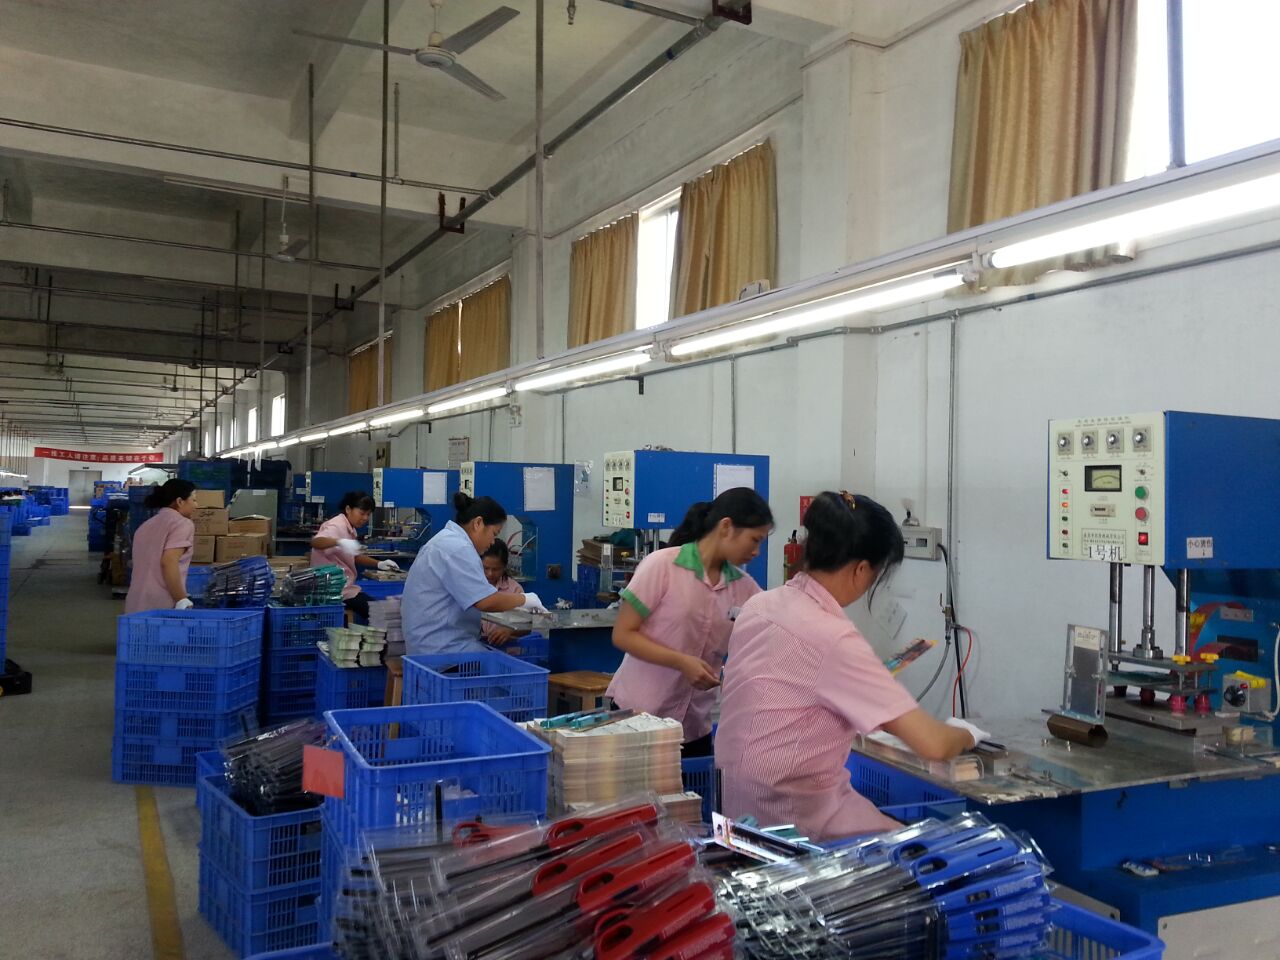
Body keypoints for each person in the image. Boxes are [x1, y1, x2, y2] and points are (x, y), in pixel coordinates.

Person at [715, 491, 988, 842]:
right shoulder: (833, 638)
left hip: (738, 812)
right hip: (795, 826)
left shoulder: (760, 605)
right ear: (861, 569)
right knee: (944, 848)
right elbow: (933, 744)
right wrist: (967, 734)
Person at [607, 488, 773, 758]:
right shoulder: (662, 566)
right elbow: (623, 634)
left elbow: (769, 635)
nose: (756, 551)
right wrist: (681, 662)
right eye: (754, 540)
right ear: (726, 527)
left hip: (693, 727)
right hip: (638, 718)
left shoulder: (745, 588)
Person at [402, 491, 544, 655]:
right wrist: (525, 599)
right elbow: (485, 602)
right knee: (508, 667)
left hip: (428, 646)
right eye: (494, 534)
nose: (492, 542)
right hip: (443, 651)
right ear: (478, 523)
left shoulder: (445, 540)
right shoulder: (459, 548)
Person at [310, 491, 399, 621]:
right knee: (378, 613)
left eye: (368, 514)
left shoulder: (350, 528)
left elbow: (354, 556)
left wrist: (379, 564)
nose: (365, 518)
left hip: (342, 587)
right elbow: (316, 542)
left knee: (376, 610)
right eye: (362, 513)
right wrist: (339, 541)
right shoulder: (337, 525)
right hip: (332, 590)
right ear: (348, 509)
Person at [124, 479, 198, 614]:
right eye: (193, 500)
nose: (196, 505)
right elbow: (169, 562)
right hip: (161, 605)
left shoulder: (146, 526)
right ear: (180, 501)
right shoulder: (182, 524)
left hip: (136, 601)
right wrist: (181, 599)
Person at [480, 540, 524, 647]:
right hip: (475, 646)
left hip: (505, 649)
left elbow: (527, 626)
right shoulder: (471, 586)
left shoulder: (515, 590)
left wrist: (510, 630)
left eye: (496, 569)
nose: (490, 574)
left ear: (504, 567)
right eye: (485, 568)